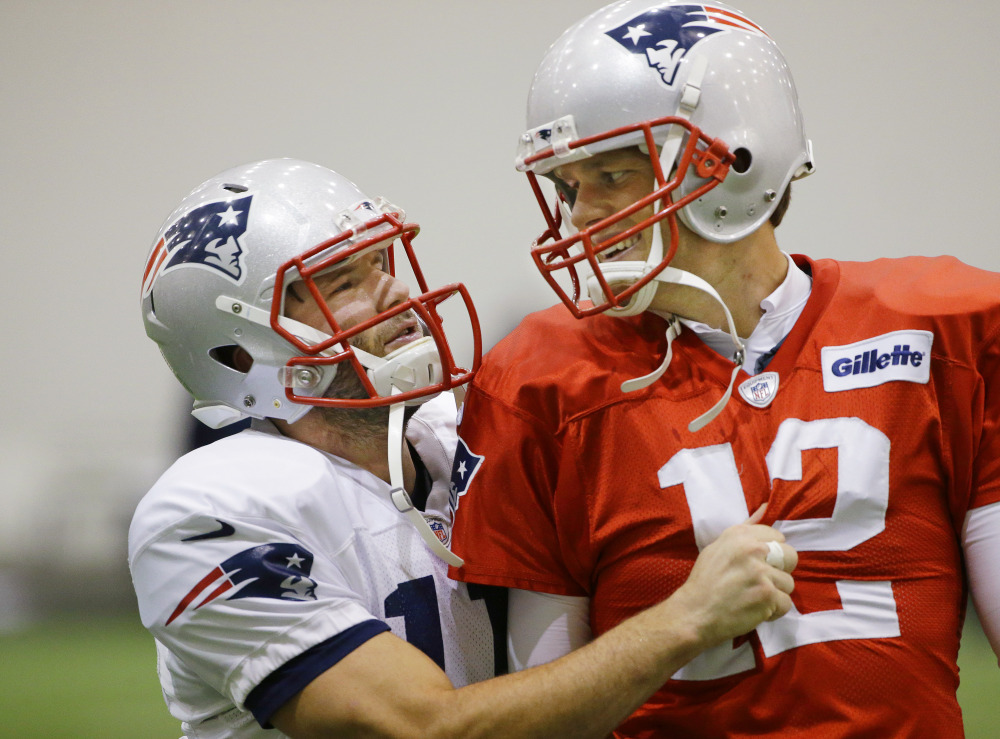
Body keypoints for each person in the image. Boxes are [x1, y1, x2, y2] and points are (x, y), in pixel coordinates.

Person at [447, 2, 1000, 737]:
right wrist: (681, 621)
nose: (581, 216)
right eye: (568, 186)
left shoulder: (947, 329)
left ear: (737, 160)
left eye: (612, 173)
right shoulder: (540, 381)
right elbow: (540, 718)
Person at [129, 157, 798, 739]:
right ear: (243, 353)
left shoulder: (466, 434)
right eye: (343, 282)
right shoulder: (206, 515)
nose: (396, 291)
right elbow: (420, 726)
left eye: (382, 261)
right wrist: (686, 618)